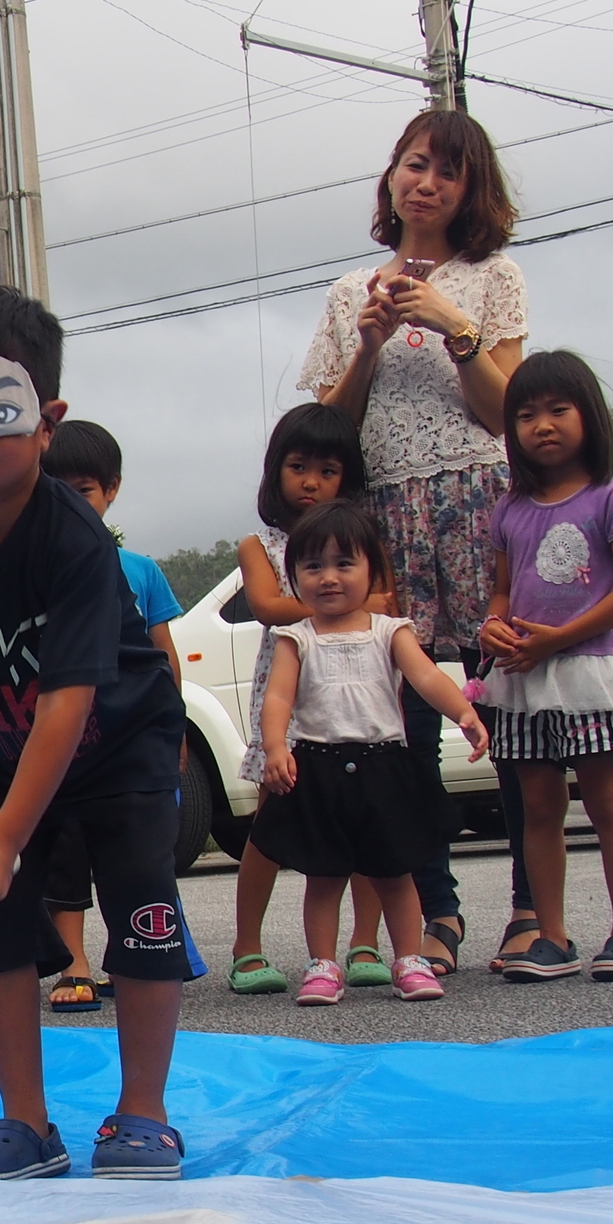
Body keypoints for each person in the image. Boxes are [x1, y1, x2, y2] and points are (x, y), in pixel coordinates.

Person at [0, 284, 193, 1183]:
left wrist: (6, 836)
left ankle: (143, 1111)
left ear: (47, 421)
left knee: (140, 909)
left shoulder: (75, 541)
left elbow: (69, 700)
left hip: (115, 744)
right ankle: (26, 1121)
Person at [302, 109, 529, 976]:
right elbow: (331, 428)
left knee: (504, 708)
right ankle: (438, 911)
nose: (425, 182)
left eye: (446, 171)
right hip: (384, 515)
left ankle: (529, 907)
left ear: (473, 190)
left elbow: (505, 414)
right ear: (391, 177)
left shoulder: (494, 277)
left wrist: (447, 320)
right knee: (404, 728)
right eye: (413, 164)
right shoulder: (349, 289)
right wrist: (365, 342)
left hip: (478, 502)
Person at [251, 500, 491, 1007]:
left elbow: (426, 676)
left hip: (385, 766)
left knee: (394, 872)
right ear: (294, 577)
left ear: (372, 571)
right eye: (312, 567)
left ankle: (409, 959)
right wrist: (275, 747)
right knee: (324, 877)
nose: (329, 578)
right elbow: (278, 697)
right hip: (317, 767)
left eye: (344, 564)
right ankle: (322, 966)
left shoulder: (390, 630)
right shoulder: (296, 637)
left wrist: (463, 713)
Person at [480, 352, 613, 984]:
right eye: (526, 415)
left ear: (589, 416)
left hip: (591, 674)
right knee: (537, 806)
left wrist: (558, 639)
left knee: (607, 800)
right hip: (523, 678)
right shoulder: (510, 509)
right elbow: (503, 590)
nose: (542, 426)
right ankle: (551, 936)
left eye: (558, 410)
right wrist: (493, 625)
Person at [226, 404, 390, 996]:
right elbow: (269, 606)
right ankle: (247, 947)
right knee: (272, 819)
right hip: (289, 702)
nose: (312, 482)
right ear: (276, 473)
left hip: (363, 702)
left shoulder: (366, 539)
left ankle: (365, 941)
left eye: (328, 469)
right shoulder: (260, 544)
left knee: (369, 820)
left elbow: (388, 604)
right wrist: (345, 603)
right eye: (298, 467)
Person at [36, 419, 189, 1011]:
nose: (74, 503)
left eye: (86, 491)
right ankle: (72, 962)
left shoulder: (141, 569)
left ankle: (137, 959)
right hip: (62, 739)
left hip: (129, 737)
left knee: (134, 857)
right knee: (66, 850)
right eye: (60, 490)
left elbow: (162, 656)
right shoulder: (38, 568)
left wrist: (170, 729)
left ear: (112, 490)